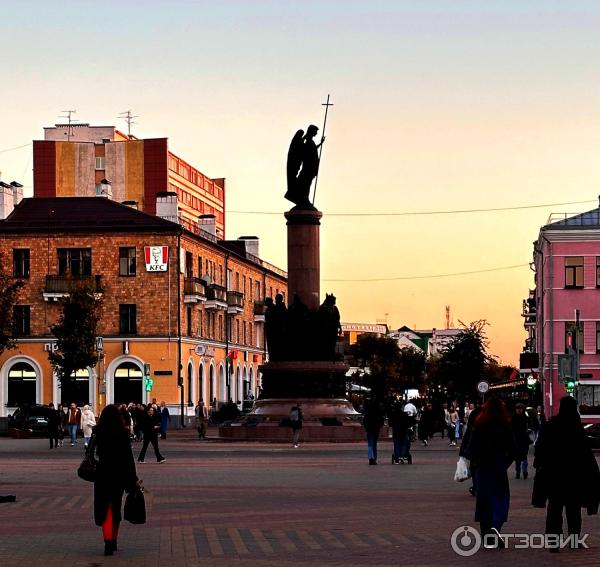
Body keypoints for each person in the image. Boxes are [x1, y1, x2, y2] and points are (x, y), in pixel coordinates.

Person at [533, 396, 600, 549]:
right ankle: (574, 540)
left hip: (554, 474)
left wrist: (539, 465)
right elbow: (585, 453)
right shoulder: (576, 427)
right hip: (574, 475)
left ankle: (553, 542)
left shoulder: (550, 425)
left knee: (554, 509)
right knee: (573, 509)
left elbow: (541, 448)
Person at [466, 398, 515, 548]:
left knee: (484, 500)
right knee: (500, 497)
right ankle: (496, 525)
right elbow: (513, 448)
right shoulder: (505, 425)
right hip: (498, 466)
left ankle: (487, 536)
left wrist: (475, 462)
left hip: (483, 467)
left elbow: (471, 448)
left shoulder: (479, 425)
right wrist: (505, 462)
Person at [93, 404, 140, 556]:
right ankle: (113, 541)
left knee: (104, 509)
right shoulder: (123, 433)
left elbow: (91, 453)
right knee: (115, 507)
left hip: (102, 475)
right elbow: (128, 458)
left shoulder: (98, 432)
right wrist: (133, 479)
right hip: (118, 476)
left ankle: (107, 541)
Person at [511, 403, 531, 479]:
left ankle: (525, 471)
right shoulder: (513, 418)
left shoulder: (525, 417)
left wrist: (528, 430)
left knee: (524, 456)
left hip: (524, 439)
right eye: (517, 409)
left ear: (523, 409)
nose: (519, 410)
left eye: (520, 409)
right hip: (516, 439)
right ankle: (518, 472)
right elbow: (511, 429)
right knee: (517, 458)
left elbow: (529, 425)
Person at [362, 399, 385, 465]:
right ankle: (374, 458)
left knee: (370, 444)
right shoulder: (378, 413)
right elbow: (381, 421)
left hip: (369, 430)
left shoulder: (368, 413)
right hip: (376, 430)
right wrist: (379, 427)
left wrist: (366, 428)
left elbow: (365, 421)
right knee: (374, 444)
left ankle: (370, 458)